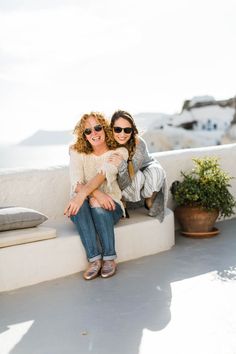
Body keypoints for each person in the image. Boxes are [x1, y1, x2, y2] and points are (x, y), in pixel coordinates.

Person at [64, 112, 128, 280]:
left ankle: (109, 258)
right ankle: (94, 260)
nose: (94, 133)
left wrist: (86, 195)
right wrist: (95, 194)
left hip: (110, 205)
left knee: (95, 203)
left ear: (105, 129)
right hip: (85, 204)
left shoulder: (119, 152)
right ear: (83, 135)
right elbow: (75, 182)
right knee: (81, 206)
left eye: (97, 128)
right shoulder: (77, 152)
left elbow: (104, 174)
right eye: (88, 131)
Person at [108, 110, 168, 222]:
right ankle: (123, 202)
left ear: (132, 130)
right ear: (111, 128)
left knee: (156, 172)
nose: (122, 134)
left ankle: (149, 200)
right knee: (137, 177)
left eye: (127, 130)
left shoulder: (138, 144)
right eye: (117, 129)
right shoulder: (108, 144)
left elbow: (129, 177)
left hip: (143, 168)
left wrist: (121, 165)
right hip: (133, 177)